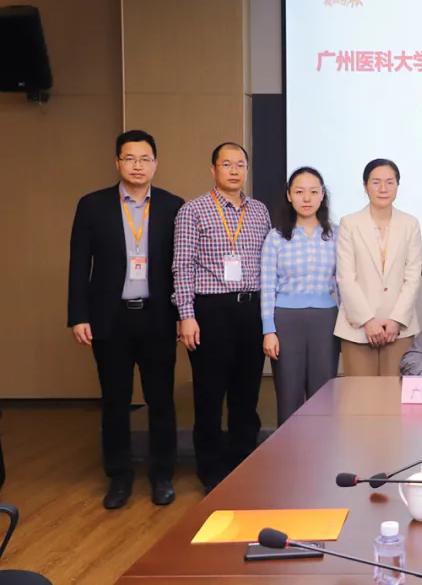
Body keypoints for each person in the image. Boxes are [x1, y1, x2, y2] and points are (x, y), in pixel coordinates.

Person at [66, 130, 184, 509]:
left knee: (161, 400)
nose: (137, 165)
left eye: (145, 159)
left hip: (158, 316)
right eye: (130, 158)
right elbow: (78, 263)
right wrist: (78, 315)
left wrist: (183, 314)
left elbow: (182, 266)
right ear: (117, 162)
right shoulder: (92, 205)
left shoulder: (173, 206)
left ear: (155, 164)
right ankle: (119, 476)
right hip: (110, 317)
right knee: (115, 400)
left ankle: (162, 475)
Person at [173, 142, 272, 493]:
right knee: (210, 394)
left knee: (246, 394)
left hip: (251, 309)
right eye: (226, 164)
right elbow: (182, 266)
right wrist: (186, 315)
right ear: (213, 169)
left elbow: (269, 264)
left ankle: (243, 462)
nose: (234, 170)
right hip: (210, 311)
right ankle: (211, 470)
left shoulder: (259, 211)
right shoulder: (193, 211)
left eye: (240, 164)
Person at [261, 167, 339, 426]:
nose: (307, 198)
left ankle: (322, 451)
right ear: (289, 195)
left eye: (313, 192)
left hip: (326, 321)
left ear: (322, 195)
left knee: (323, 396)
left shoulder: (336, 234)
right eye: (299, 192)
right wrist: (269, 330)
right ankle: (288, 450)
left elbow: (343, 283)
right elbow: (267, 285)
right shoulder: (276, 237)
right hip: (286, 322)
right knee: (288, 394)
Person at [334, 159, 422, 376]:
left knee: (396, 392)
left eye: (390, 182)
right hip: (357, 327)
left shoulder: (410, 223)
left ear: (397, 186)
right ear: (365, 186)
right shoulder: (349, 223)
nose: (383, 188)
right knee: (360, 393)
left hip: (398, 328)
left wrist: (396, 320)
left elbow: (412, 277)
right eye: (376, 182)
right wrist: (367, 320)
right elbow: (346, 278)